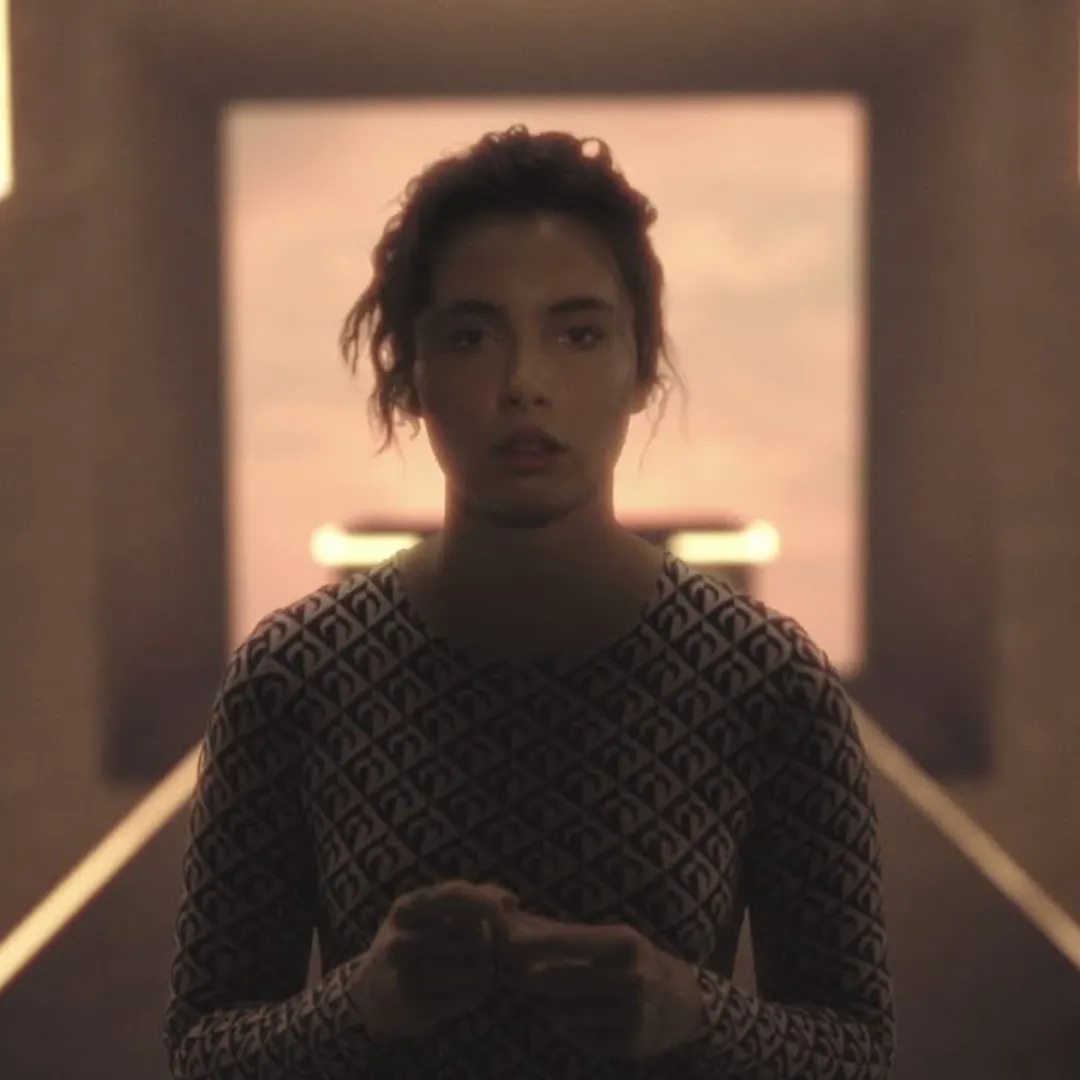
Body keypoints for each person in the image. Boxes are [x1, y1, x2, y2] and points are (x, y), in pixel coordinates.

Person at [163, 125, 897, 1079]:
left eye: (578, 333)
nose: (525, 385)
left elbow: (858, 1048)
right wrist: (363, 1005)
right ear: (410, 371)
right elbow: (201, 1050)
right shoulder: (293, 677)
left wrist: (694, 1015)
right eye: (472, 336)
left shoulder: (768, 680)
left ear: (642, 366)